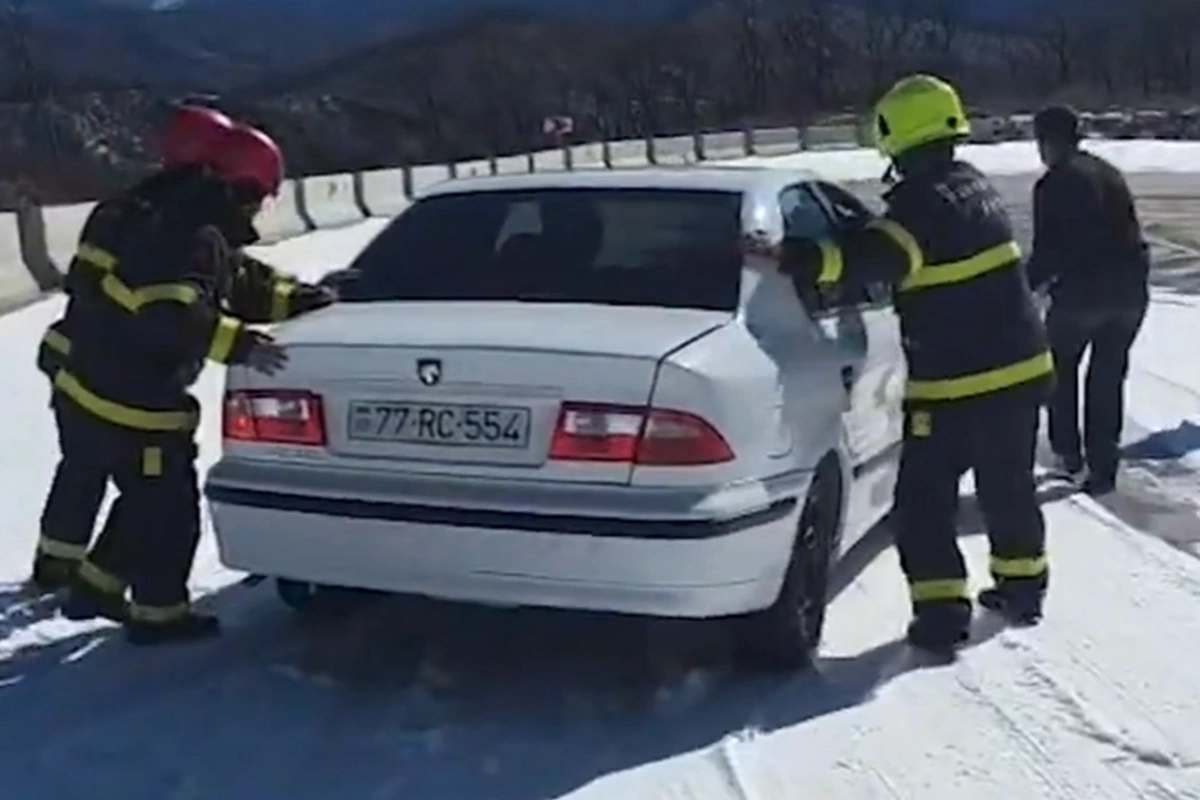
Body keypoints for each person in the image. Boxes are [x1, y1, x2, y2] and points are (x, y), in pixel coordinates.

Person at [744, 74, 1052, 652]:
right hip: (1021, 370)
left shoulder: (916, 202)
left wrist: (794, 257)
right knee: (1007, 488)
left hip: (960, 383)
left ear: (896, 133)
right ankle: (1023, 588)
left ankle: (941, 617)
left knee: (921, 502)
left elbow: (869, 261)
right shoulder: (972, 186)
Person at [31, 107, 334, 597]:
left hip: (79, 369)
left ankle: (62, 569)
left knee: (84, 472)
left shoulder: (133, 212)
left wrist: (302, 299)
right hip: (127, 389)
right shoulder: (188, 231)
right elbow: (169, 311)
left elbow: (236, 280)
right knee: (161, 493)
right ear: (241, 188)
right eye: (257, 197)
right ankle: (139, 603)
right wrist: (237, 344)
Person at [1026, 105, 1149, 495]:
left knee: (1061, 372)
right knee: (1107, 378)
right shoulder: (1110, 174)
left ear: (1048, 142)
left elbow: (1049, 251)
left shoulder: (1053, 184)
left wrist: (1024, 288)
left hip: (1082, 295)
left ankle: (1068, 454)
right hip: (1129, 293)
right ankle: (1103, 466)